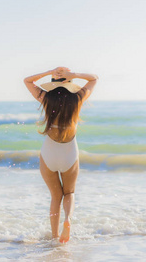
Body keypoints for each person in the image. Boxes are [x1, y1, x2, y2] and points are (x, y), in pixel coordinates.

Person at [24, 67, 98, 243]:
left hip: (50, 151)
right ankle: (68, 220)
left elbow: (27, 80)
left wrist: (50, 71)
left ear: (53, 83)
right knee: (69, 192)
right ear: (69, 83)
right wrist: (74, 75)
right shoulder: (78, 98)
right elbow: (94, 79)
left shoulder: (46, 98)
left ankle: (55, 236)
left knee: (55, 196)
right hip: (69, 151)